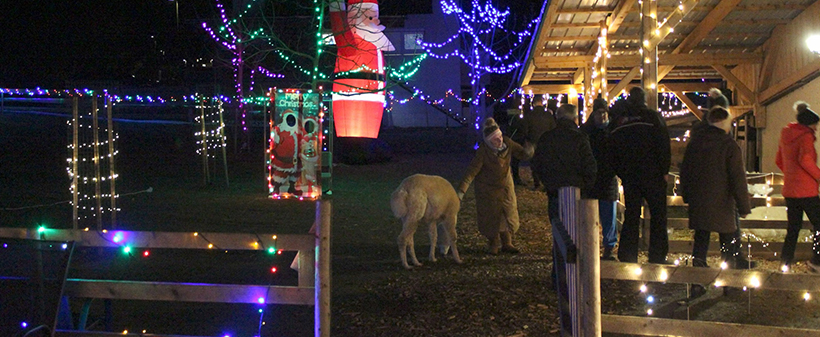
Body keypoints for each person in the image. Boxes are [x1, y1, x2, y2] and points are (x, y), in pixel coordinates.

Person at [531, 103, 596, 336]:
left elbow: (536, 164)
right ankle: (576, 280)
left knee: (558, 236)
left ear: (558, 117)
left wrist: (547, 183)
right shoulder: (580, 139)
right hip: (577, 195)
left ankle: (559, 278)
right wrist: (583, 186)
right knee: (576, 237)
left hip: (555, 194)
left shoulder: (547, 139)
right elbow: (591, 168)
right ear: (575, 118)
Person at [679, 106, 754, 272]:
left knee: (701, 238)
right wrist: (743, 206)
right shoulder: (729, 146)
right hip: (722, 201)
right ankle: (727, 279)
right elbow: (737, 178)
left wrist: (687, 195)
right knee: (727, 241)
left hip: (699, 200)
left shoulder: (695, 144)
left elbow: (685, 171)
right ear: (724, 123)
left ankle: (698, 276)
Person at [609, 87, 672, 264]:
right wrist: (664, 171)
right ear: (644, 100)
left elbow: (612, 149)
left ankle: (628, 255)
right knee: (658, 216)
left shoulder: (621, 121)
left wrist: (621, 171)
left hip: (630, 176)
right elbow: (664, 145)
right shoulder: (654, 118)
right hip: (654, 175)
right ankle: (658, 256)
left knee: (631, 215)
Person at [457, 117, 533, 255]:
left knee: (507, 213)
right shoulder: (483, 152)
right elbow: (471, 172)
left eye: (499, 137)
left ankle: (507, 242)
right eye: (495, 139)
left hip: (505, 185)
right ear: (488, 141)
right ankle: (493, 243)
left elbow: (521, 153)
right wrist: (461, 192)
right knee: (491, 216)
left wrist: (528, 151)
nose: (499, 141)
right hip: (487, 188)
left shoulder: (508, 143)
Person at [775, 101, 820, 272]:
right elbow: (805, 160)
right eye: (815, 124)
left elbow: (779, 160)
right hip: (807, 191)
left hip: (790, 190)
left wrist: (792, 175)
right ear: (809, 123)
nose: (816, 128)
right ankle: (817, 261)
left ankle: (785, 262)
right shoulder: (806, 137)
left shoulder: (786, 134)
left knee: (793, 228)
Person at [580, 96, 619, 260]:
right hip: (592, 180)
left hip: (607, 178)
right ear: (594, 114)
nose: (602, 116)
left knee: (609, 216)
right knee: (590, 216)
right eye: (599, 113)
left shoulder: (614, 130)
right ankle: (590, 245)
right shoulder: (586, 132)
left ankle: (609, 247)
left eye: (604, 113)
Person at [522, 97, 557, 190]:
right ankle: (546, 184)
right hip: (546, 142)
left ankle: (537, 183)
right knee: (546, 163)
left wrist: (527, 139)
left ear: (533, 104)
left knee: (535, 163)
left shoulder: (529, 115)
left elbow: (525, 130)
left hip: (533, 141)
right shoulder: (548, 115)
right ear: (542, 103)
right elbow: (553, 128)